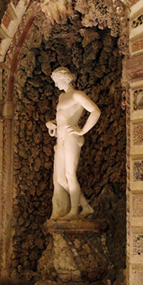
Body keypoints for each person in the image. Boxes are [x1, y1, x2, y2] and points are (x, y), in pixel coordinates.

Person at [46, 67, 100, 219]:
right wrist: (53, 125)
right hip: (61, 137)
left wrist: (82, 131)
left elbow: (95, 111)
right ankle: (86, 206)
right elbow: (62, 118)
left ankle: (74, 211)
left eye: (56, 81)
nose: (56, 84)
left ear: (64, 79)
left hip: (71, 136)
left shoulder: (77, 95)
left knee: (70, 174)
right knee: (61, 179)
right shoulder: (62, 97)